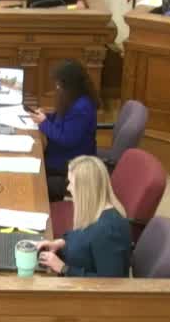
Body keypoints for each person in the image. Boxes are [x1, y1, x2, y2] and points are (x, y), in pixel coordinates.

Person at [36, 156, 131, 277]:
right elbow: (82, 236)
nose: (68, 188)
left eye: (71, 183)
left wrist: (64, 268)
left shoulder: (108, 231)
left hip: (82, 287)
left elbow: (109, 283)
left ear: (84, 190)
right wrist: (61, 243)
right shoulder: (94, 209)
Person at [28, 60, 97, 202]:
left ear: (70, 85)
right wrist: (46, 116)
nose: (57, 87)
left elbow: (67, 139)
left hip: (70, 163)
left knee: (31, 180)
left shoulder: (81, 107)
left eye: (60, 84)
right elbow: (61, 118)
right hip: (59, 156)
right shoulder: (74, 99)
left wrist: (44, 123)